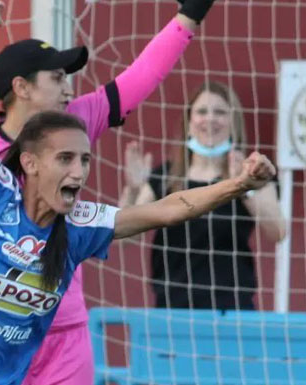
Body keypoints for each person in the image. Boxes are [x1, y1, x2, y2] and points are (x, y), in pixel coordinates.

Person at [0, 2, 276, 385]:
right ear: (30, 161)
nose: (80, 169)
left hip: (50, 339)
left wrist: (238, 183)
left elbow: (168, 208)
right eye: (56, 77)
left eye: (84, 159)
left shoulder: (79, 162)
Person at [119, 81, 286, 310]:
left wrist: (245, 185)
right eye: (202, 111)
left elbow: (277, 231)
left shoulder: (255, 172)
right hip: (172, 306)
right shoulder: (166, 177)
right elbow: (124, 236)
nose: (210, 119)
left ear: (233, 123)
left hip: (231, 307)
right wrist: (134, 189)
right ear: (189, 122)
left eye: (220, 112)